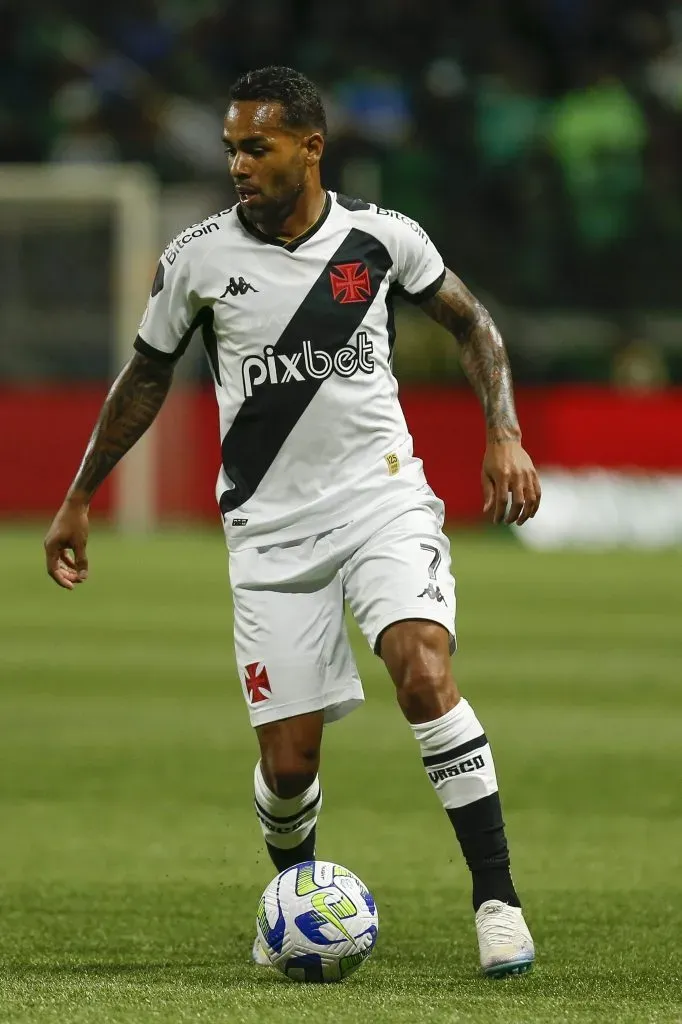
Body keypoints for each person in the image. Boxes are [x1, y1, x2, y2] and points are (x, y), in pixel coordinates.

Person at [44, 66, 541, 977]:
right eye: (232, 146)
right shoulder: (197, 257)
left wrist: (503, 433)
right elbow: (146, 375)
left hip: (381, 501)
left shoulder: (381, 240)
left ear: (311, 147)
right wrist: (81, 494)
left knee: (423, 670)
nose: (237, 162)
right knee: (288, 766)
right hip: (270, 536)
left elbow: (474, 326)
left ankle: (497, 901)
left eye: (255, 146)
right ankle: (300, 902)